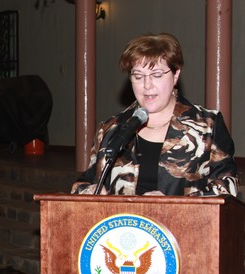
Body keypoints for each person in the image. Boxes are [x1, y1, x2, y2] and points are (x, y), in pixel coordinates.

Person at [71, 32, 238, 197]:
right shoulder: (111, 129)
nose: (147, 85)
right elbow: (86, 182)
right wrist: (88, 191)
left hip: (180, 223)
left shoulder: (208, 125)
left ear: (176, 75)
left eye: (156, 75)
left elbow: (227, 190)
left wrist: (171, 205)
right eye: (138, 76)